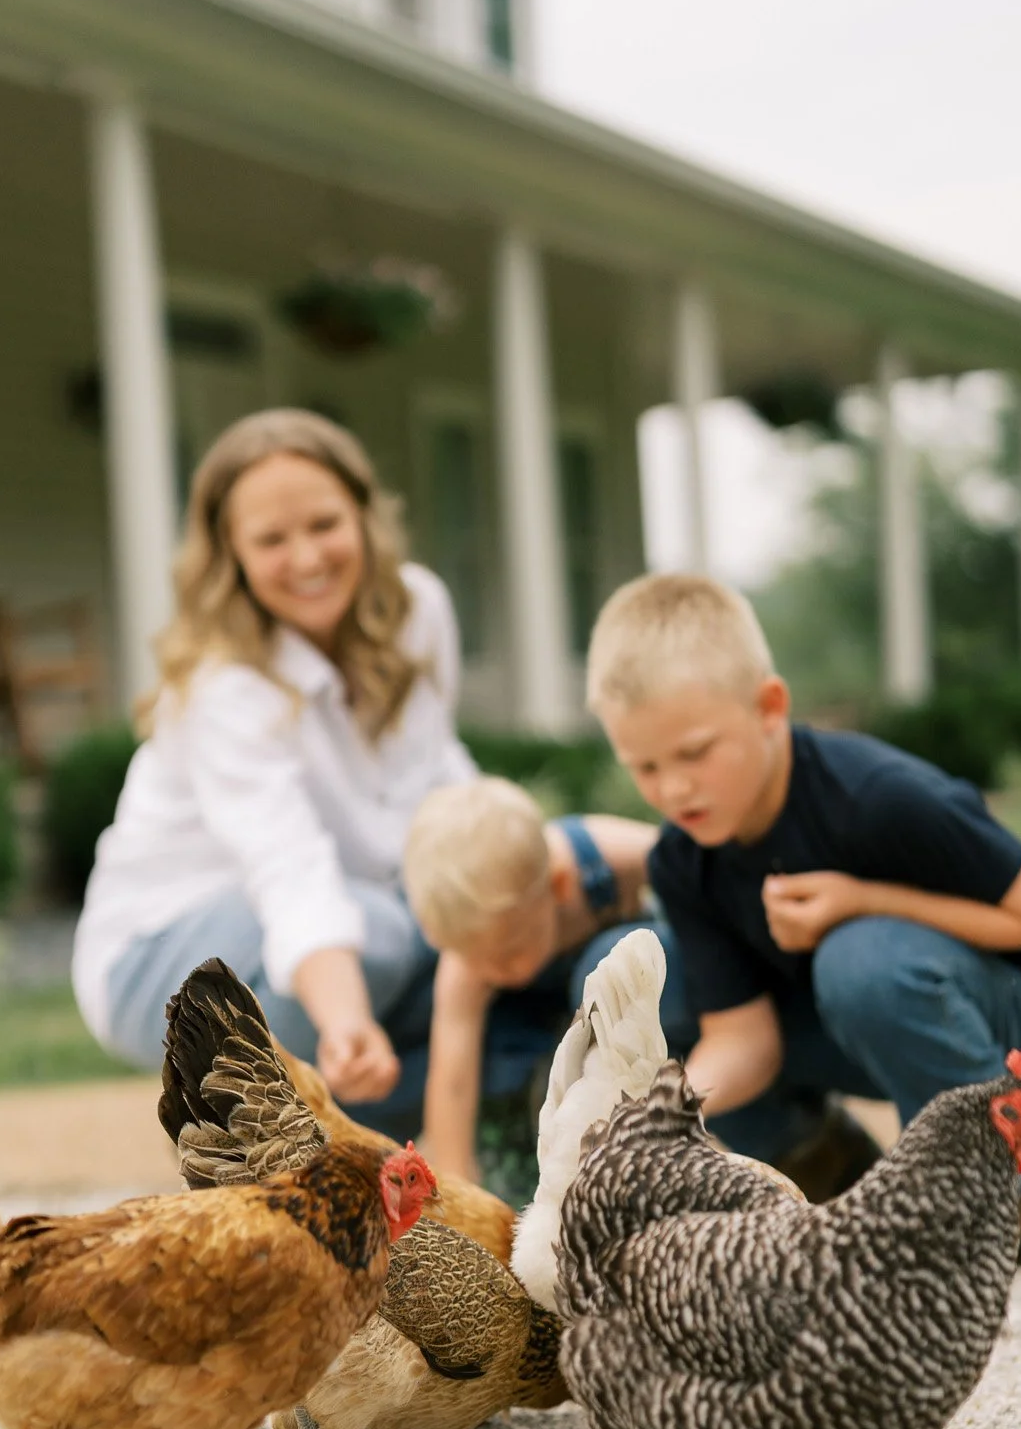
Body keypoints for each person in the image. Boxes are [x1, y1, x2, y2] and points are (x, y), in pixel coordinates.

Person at [585, 573, 1021, 1261]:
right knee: (653, 983)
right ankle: (841, 1181)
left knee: (861, 962)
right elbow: (743, 1039)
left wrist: (862, 900)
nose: (673, 788)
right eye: (644, 766)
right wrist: (661, 1112)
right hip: (843, 1021)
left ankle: (979, 1191)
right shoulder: (680, 859)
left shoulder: (875, 796)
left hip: (997, 1015)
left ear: (769, 707)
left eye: (694, 752)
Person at [72, 408, 475, 1111]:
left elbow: (443, 780)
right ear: (231, 556)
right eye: (271, 540)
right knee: (380, 934)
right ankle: (296, 1125)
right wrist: (344, 1016)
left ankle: (419, 1101)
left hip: (341, 914)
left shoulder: (420, 610)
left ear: (363, 518)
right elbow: (289, 868)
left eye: (323, 525)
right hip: (159, 958)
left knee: (459, 918)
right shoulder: (221, 684)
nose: (308, 558)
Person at [402, 776, 667, 1179]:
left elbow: (695, 861)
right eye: (478, 960)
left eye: (508, 953)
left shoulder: (611, 859)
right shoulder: (466, 967)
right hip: (533, 1033)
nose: (494, 972)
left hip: (624, 1010)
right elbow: (452, 1082)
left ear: (557, 886)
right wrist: (459, 1185)